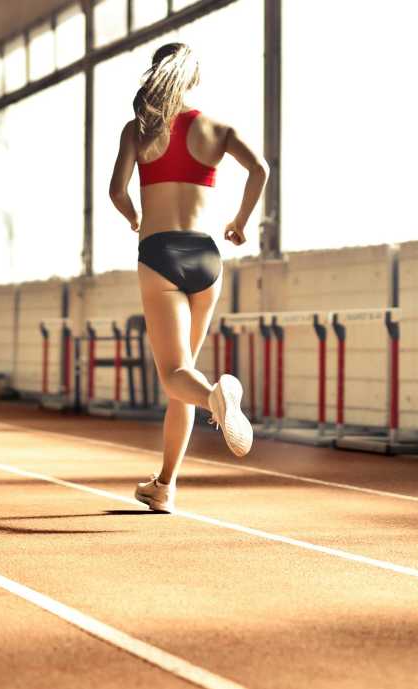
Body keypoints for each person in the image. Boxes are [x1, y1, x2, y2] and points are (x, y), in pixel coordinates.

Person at [106, 42, 267, 512]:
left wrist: (135, 215)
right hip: (206, 257)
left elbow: (116, 190)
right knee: (183, 375)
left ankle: (218, 397)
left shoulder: (137, 130)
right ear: (193, 80)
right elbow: (260, 168)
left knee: (177, 375)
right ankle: (164, 485)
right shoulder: (218, 128)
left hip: (160, 253)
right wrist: (240, 221)